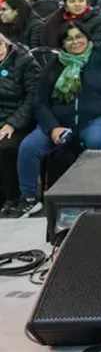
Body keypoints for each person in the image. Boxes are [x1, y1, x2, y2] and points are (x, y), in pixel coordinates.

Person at [13, 0, 101, 218]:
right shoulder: (54, 67)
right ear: (62, 43)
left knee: (97, 141)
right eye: (69, 39)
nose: (75, 41)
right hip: (60, 121)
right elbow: (41, 103)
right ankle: (28, 199)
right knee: (28, 147)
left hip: (96, 119)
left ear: (87, 38)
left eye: (79, 37)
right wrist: (53, 128)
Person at [0, 33, 37, 215]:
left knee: (6, 147)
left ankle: (12, 196)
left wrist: (12, 123)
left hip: (22, 120)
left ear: (6, 43)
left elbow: (33, 98)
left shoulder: (24, 60)